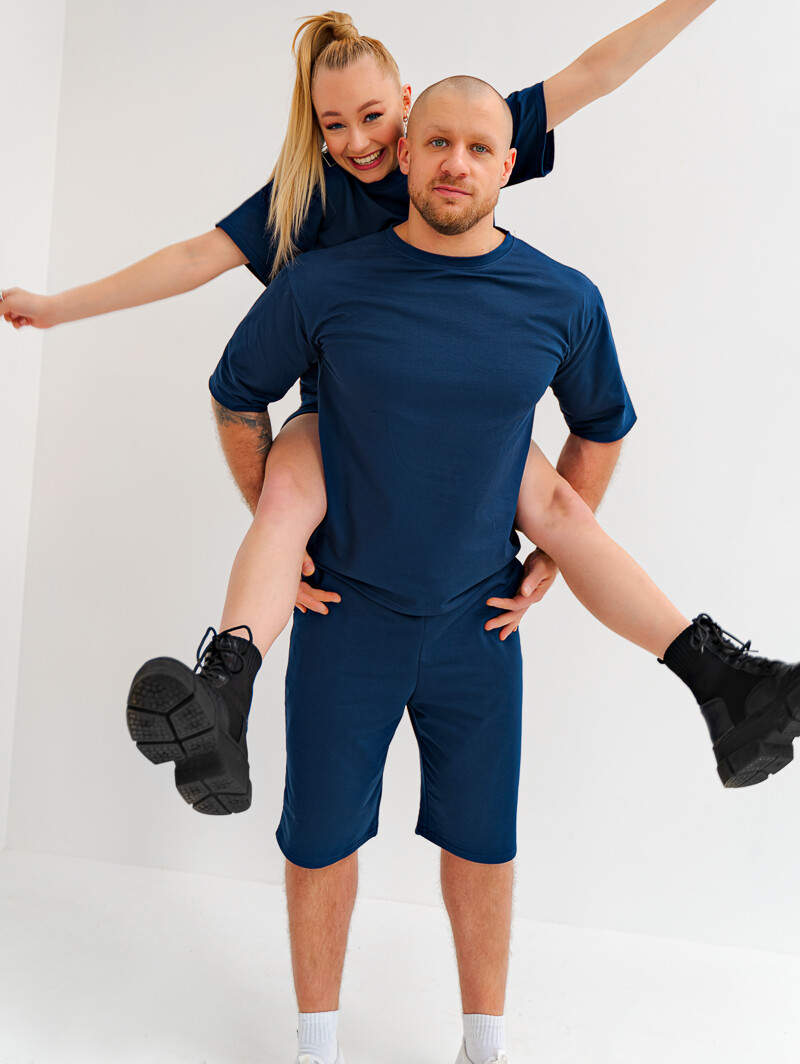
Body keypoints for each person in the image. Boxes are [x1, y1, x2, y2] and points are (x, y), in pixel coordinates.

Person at [129, 74, 799, 1064]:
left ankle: (484, 1045)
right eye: (437, 142)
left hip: (475, 624)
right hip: (345, 616)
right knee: (319, 841)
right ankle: (316, 1044)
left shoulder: (560, 298)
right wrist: (279, 532)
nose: (455, 162)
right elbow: (237, 396)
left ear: (508, 164)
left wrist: (547, 562)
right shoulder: (324, 283)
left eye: (479, 147)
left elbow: (601, 427)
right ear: (404, 153)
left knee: (482, 843)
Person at [1, 0, 759, 645]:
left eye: (372, 117)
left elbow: (597, 72)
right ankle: (226, 673)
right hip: (350, 416)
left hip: (460, 404)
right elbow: (193, 258)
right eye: (333, 125)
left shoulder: (451, 145)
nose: (358, 142)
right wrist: (58, 307)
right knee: (287, 500)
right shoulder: (308, 195)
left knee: (561, 510)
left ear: (406, 105)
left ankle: (712, 667)